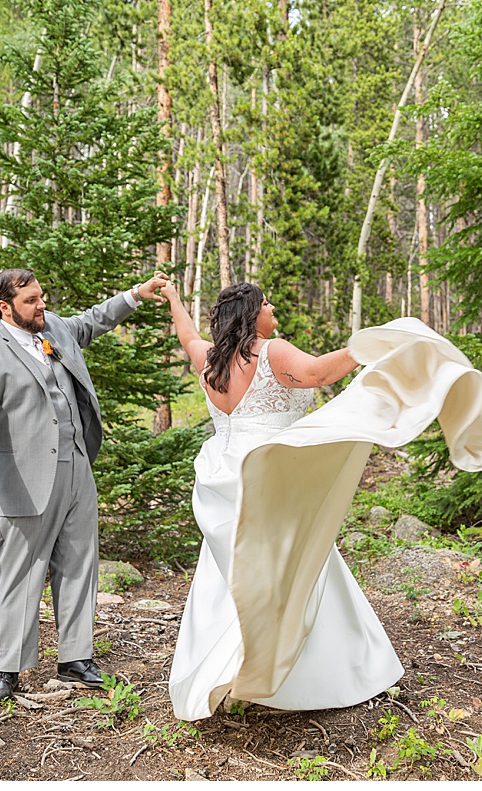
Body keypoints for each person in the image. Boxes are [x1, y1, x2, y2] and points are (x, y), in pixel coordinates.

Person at [160, 280, 406, 720]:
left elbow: (187, 337)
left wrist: (176, 300)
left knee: (234, 572)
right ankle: (311, 673)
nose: (274, 308)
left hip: (226, 473)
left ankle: (234, 665)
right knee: (297, 562)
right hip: (270, 473)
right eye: (267, 303)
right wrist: (374, 342)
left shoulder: (209, 359)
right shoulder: (271, 351)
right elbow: (320, 374)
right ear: (253, 314)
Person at [0, 267, 168, 707]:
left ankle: (75, 659)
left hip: (76, 468)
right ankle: (9, 671)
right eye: (31, 300)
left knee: (78, 564)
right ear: (5, 307)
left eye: (41, 296)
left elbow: (96, 318)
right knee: (18, 575)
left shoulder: (55, 329)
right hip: (22, 478)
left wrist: (137, 294)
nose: (42, 305)